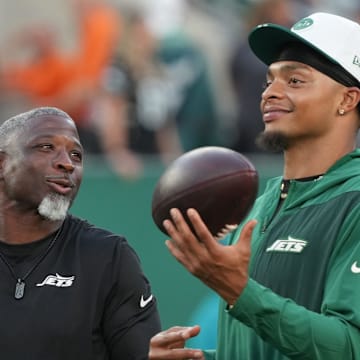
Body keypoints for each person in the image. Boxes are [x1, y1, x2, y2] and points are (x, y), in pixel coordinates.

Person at [148, 12, 360, 359]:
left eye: (295, 81)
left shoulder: (354, 201)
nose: (270, 93)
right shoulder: (262, 204)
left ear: (347, 100)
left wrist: (239, 291)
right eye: (269, 80)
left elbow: (350, 347)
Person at [0, 106, 161, 359]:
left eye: (76, 155)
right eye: (46, 147)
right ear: (3, 163)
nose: (67, 163)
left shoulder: (108, 258)